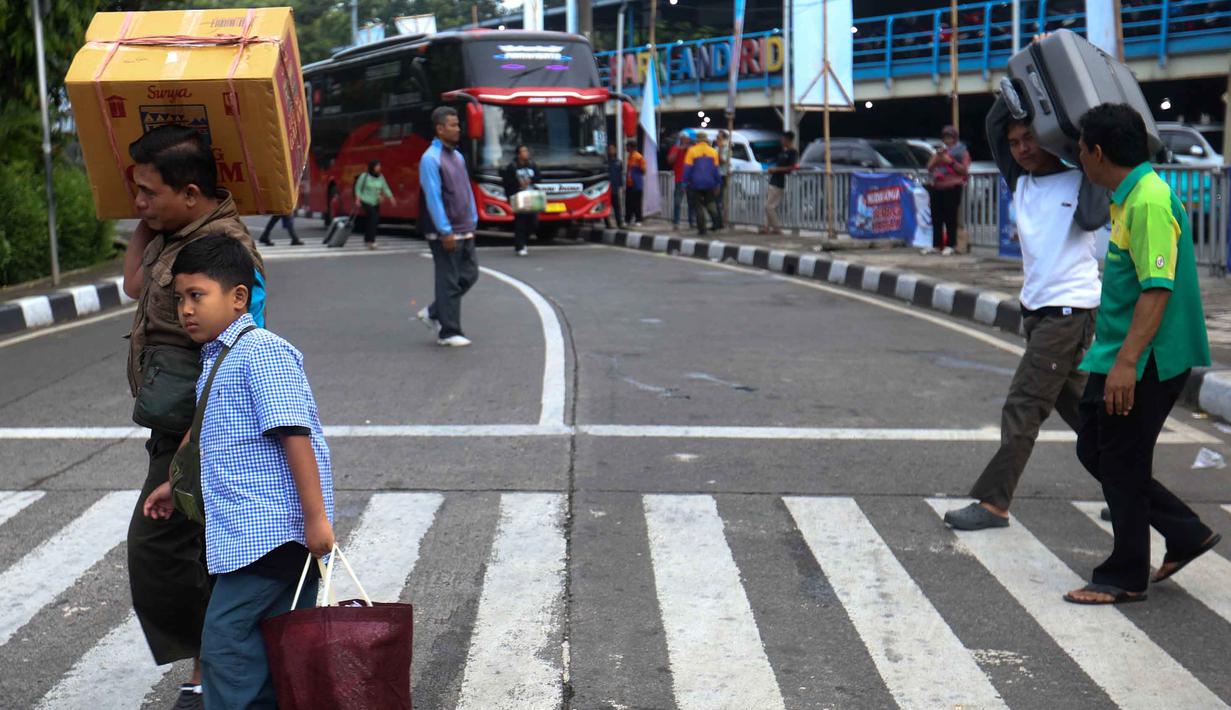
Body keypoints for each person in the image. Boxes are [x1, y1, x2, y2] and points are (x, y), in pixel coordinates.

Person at [143, 234, 335, 707]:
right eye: (180, 298)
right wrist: (175, 484)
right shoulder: (218, 357)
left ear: (237, 298)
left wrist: (316, 519)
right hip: (248, 535)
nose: (186, 309)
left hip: (272, 533)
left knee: (226, 645)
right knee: (266, 647)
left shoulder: (261, 352)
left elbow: (294, 434)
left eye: (197, 296)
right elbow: (211, 431)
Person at [120, 124, 267, 710]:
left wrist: (190, 446)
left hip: (199, 429)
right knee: (188, 550)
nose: (140, 202)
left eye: (149, 192)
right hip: (173, 426)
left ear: (189, 191)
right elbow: (133, 284)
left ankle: (219, 672)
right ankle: (214, 671)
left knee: (167, 550)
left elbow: (238, 348)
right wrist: (143, 215)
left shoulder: (224, 251)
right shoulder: (170, 229)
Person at [1064, 103, 1219, 605]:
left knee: (1122, 459)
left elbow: (1157, 289)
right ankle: (1185, 532)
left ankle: (1126, 573)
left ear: (1099, 152)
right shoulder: (1127, 196)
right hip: (1116, 350)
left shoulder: (1149, 201)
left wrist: (1128, 363)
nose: (1079, 158)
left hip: (1148, 356)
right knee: (1098, 449)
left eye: (1081, 148)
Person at [943, 98, 1108, 530]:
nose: (1020, 149)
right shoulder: (1020, 181)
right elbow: (994, 120)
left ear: (1052, 138)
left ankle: (994, 503)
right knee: (1084, 415)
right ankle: (1131, 489)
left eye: (1030, 139)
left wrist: (1064, 126)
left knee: (1023, 405)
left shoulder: (1082, 181)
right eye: (1015, 143)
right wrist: (1023, 79)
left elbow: (1093, 218)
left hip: (1068, 311)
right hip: (1039, 314)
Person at [415, 106, 480, 348]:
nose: (458, 129)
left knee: (470, 275)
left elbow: (465, 190)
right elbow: (433, 197)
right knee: (449, 280)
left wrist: (473, 218)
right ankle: (449, 332)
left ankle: (434, 312)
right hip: (447, 232)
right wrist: (445, 230)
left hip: (465, 228)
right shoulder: (430, 159)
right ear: (440, 129)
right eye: (453, 125)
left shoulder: (458, 156)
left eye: (458, 125)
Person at [925, 125, 971, 255]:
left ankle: (951, 244)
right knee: (936, 217)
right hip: (938, 186)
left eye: (950, 137)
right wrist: (937, 157)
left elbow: (964, 170)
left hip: (953, 187)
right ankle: (936, 244)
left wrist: (949, 161)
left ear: (955, 138)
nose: (947, 140)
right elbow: (929, 167)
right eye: (945, 137)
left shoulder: (962, 152)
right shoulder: (940, 152)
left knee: (950, 217)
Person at [502, 144, 539, 256]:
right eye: (523, 151)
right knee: (520, 222)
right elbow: (507, 182)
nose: (526, 153)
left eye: (526, 151)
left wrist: (531, 180)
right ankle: (520, 245)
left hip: (531, 195)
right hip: (519, 196)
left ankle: (524, 240)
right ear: (518, 154)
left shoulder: (532, 165)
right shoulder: (512, 167)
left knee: (533, 222)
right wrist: (518, 183)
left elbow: (539, 177)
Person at [683, 132, 722, 235]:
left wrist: (684, 183)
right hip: (710, 183)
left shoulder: (692, 151)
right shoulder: (713, 152)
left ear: (697, 141)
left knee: (698, 206)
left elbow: (687, 168)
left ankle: (702, 229)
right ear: (706, 140)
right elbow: (716, 170)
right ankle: (716, 220)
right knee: (710, 202)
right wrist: (718, 183)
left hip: (695, 183)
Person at [761, 130, 797, 235]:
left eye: (783, 139)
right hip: (774, 180)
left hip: (779, 182)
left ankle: (777, 228)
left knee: (769, 206)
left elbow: (791, 167)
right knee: (768, 205)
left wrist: (776, 170)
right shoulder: (783, 152)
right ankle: (766, 227)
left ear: (788, 140)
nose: (781, 140)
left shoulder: (792, 152)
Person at [355, 160, 396, 250]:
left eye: (379, 166)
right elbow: (358, 187)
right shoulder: (364, 176)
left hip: (376, 202)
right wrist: (358, 199)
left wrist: (391, 198)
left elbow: (385, 187)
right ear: (372, 167)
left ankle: (367, 239)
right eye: (377, 166)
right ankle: (372, 241)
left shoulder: (381, 177)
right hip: (365, 200)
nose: (379, 168)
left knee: (371, 220)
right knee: (373, 218)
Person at [668, 129, 694, 230]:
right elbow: (670, 160)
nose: (685, 140)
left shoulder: (692, 149)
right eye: (683, 138)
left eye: (687, 139)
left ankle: (692, 222)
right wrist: (680, 149)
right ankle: (676, 222)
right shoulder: (676, 148)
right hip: (679, 179)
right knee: (677, 202)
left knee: (691, 202)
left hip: (690, 180)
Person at [625, 140, 646, 226]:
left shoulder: (638, 157)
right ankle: (628, 219)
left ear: (632, 147)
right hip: (629, 183)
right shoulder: (629, 157)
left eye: (627, 146)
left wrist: (636, 172)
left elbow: (644, 170)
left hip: (636, 184)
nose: (626, 148)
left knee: (636, 203)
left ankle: (638, 220)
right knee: (628, 202)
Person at [605, 143, 624, 229]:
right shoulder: (605, 162)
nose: (611, 151)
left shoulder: (618, 162)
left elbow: (620, 175)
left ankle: (619, 223)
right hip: (606, 188)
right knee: (606, 207)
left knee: (617, 207)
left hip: (615, 188)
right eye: (610, 149)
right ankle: (607, 224)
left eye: (613, 149)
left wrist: (621, 186)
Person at [715, 130, 731, 229]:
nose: (717, 140)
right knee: (715, 200)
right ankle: (717, 221)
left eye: (719, 138)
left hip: (722, 175)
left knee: (718, 200)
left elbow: (723, 160)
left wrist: (720, 150)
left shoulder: (725, 148)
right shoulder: (717, 148)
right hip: (716, 175)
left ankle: (719, 222)